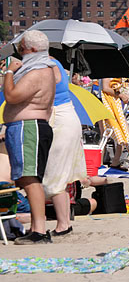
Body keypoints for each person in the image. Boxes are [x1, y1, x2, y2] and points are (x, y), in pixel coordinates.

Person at [3, 30, 56, 244]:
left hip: (29, 127)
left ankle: (40, 231)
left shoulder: (37, 71)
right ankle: (36, 227)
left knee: (30, 178)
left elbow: (12, 96)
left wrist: (9, 72)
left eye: (22, 49)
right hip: (26, 126)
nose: (20, 54)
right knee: (26, 177)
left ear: (32, 50)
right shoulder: (42, 68)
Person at [43, 56, 87, 238]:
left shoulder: (48, 64)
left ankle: (63, 224)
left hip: (60, 120)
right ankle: (64, 222)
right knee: (60, 176)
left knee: (55, 176)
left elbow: (46, 94)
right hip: (66, 119)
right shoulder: (53, 63)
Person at [100, 77, 129, 170]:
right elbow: (105, 88)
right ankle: (99, 163)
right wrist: (121, 95)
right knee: (106, 135)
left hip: (115, 103)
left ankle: (115, 161)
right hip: (107, 104)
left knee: (122, 132)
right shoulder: (107, 72)